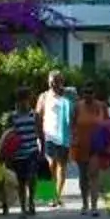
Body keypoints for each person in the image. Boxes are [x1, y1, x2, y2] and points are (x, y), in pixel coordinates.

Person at [34, 70, 76, 210]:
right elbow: (38, 117)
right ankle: (48, 195)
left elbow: (74, 114)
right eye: (51, 81)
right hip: (48, 136)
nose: (53, 84)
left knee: (61, 166)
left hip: (64, 136)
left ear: (61, 82)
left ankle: (57, 197)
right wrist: (39, 136)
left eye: (56, 81)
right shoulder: (44, 97)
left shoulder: (69, 96)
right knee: (50, 165)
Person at [75, 87, 110, 214]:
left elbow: (108, 126)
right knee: (83, 177)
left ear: (94, 94)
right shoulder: (78, 107)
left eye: (90, 92)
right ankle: (85, 204)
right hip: (81, 145)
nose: (88, 95)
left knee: (94, 175)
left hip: (97, 146)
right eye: (85, 92)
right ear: (82, 94)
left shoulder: (102, 107)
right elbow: (73, 124)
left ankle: (94, 206)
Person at [0, 105, 46, 217]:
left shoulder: (34, 116)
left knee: (32, 178)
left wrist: (42, 151)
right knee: (21, 182)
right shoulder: (12, 117)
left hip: (32, 152)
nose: (23, 102)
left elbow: (40, 133)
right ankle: (23, 208)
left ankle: (31, 203)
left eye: (25, 99)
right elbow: (8, 134)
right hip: (18, 154)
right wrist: (5, 153)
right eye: (21, 100)